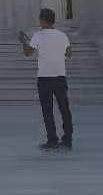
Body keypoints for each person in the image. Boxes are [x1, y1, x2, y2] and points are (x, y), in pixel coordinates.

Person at [22, 8, 73, 151]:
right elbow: (69, 54)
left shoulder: (38, 36)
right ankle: (67, 139)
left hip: (44, 78)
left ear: (43, 20)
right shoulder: (62, 35)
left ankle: (52, 140)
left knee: (47, 110)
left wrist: (24, 42)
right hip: (60, 76)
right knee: (64, 109)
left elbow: (28, 53)